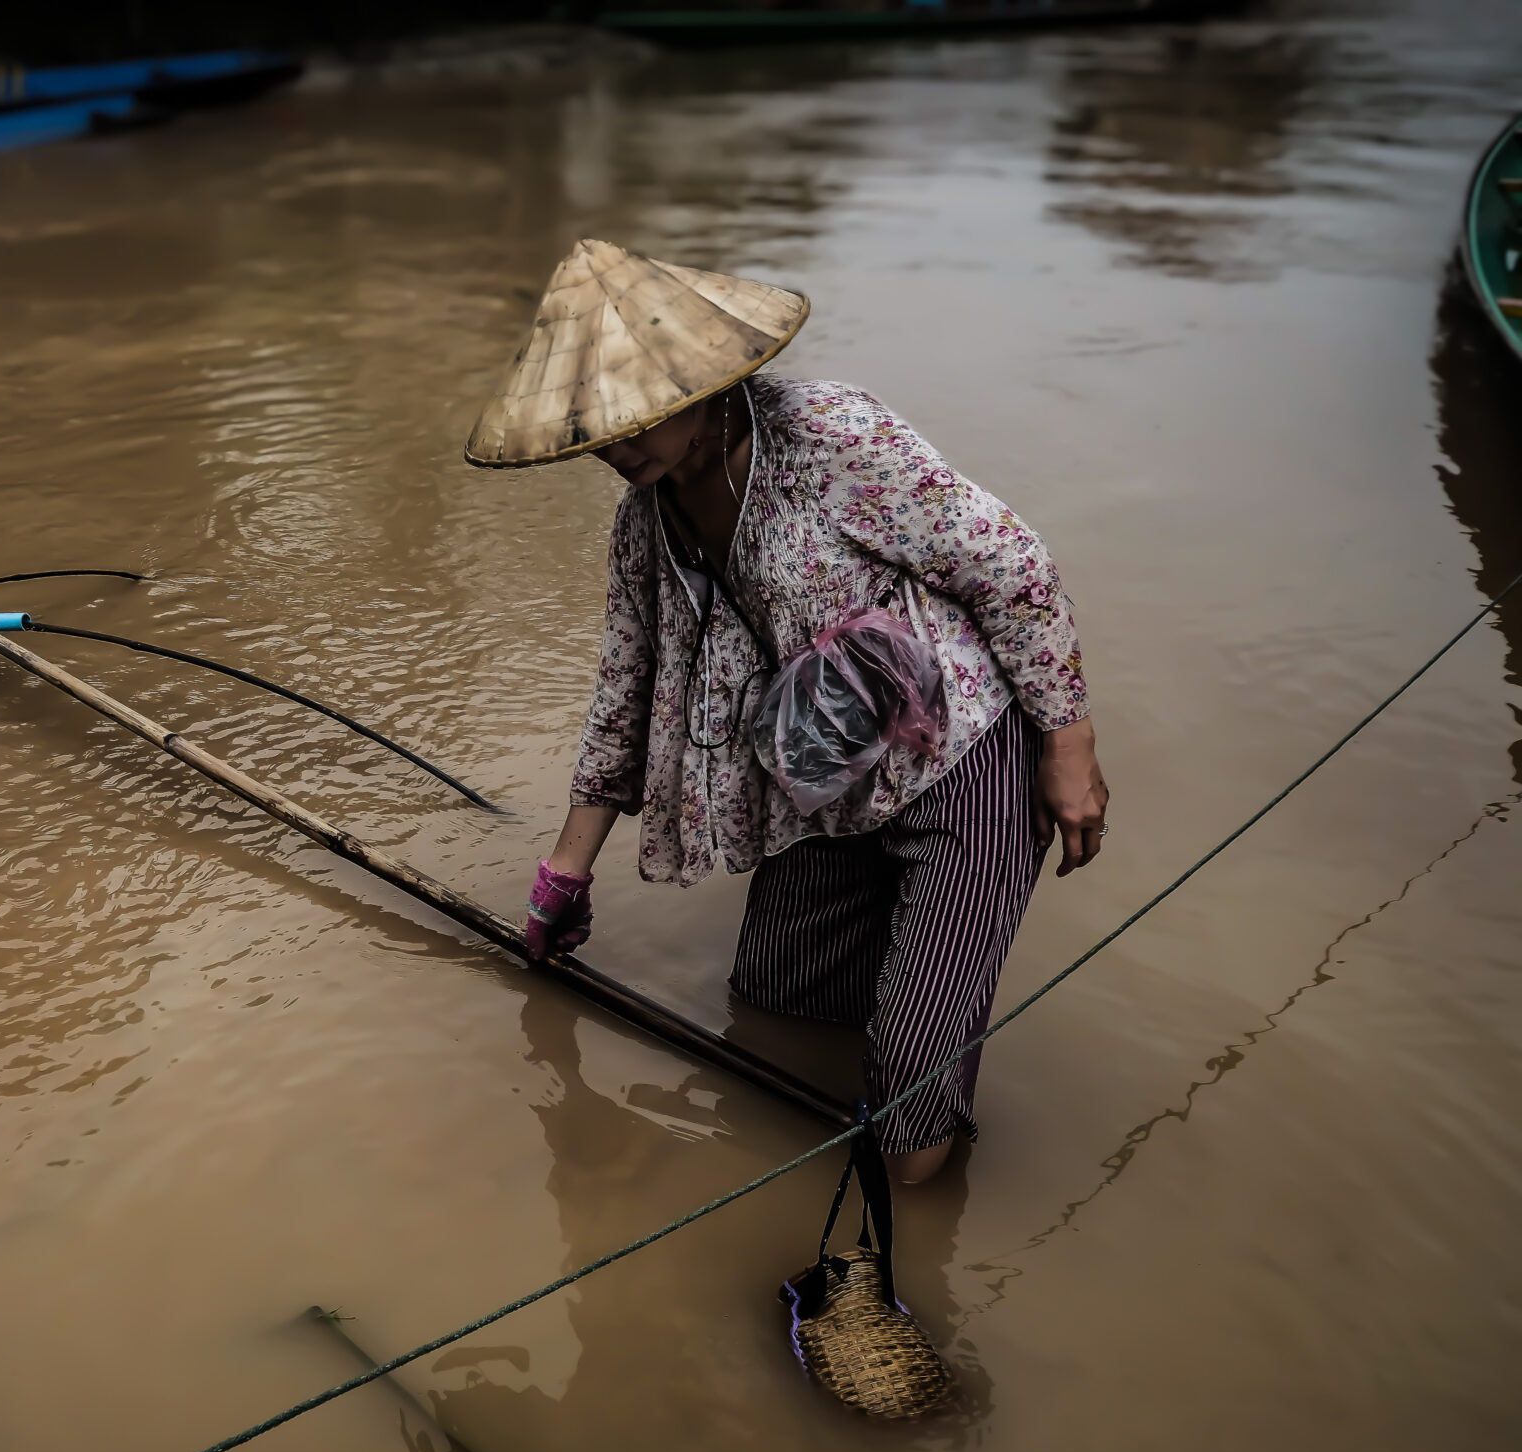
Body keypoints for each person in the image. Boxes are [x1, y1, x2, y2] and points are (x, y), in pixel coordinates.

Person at [469, 239, 1108, 1187]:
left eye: (640, 416)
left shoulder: (829, 437)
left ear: (701, 378)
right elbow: (628, 684)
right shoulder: (645, 520)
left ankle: (905, 1230)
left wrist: (1069, 746)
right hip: (818, 771)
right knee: (773, 1004)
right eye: (598, 429)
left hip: (957, 759)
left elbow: (1011, 566)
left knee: (905, 1086)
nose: (620, 445)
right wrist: (565, 870)